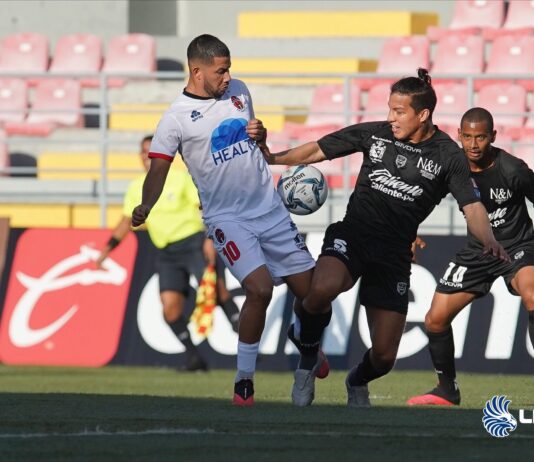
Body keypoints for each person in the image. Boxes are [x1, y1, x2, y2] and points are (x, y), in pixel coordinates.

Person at [262, 68, 509, 407]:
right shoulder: (376, 134)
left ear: (423, 115)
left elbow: (472, 206)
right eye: (390, 109)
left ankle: (356, 380)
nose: (391, 117)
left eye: (399, 111)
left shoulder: (448, 156)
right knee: (320, 291)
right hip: (355, 233)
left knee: (383, 357)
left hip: (394, 252)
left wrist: (489, 240)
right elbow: (318, 150)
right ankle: (307, 361)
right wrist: (274, 159)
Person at [131, 34, 327, 407]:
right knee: (260, 289)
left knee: (316, 297)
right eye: (220, 71)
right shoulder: (174, 119)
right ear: (197, 71)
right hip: (227, 219)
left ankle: (304, 340)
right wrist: (147, 205)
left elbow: (255, 142)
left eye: (229, 69)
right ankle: (244, 382)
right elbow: (158, 169)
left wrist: (261, 134)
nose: (228, 77)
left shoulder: (239, 91)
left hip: (270, 209)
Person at [407, 107, 534, 406]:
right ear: (459, 136)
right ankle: (446, 390)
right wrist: (409, 231)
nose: (473, 145)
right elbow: (421, 197)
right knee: (435, 320)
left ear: (493, 136)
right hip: (478, 251)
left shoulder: (513, 169)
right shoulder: (454, 167)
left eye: (481, 137)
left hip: (518, 246)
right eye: (467, 137)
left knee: (532, 294)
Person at [96, 135, 240, 371]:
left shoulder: (180, 179)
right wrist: (106, 251)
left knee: (215, 292)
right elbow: (126, 221)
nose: (146, 156)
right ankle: (194, 358)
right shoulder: (136, 187)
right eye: (143, 151)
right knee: (170, 310)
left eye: (150, 151)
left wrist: (209, 238)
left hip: (193, 244)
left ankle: (248, 344)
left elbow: (205, 207)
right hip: (166, 253)